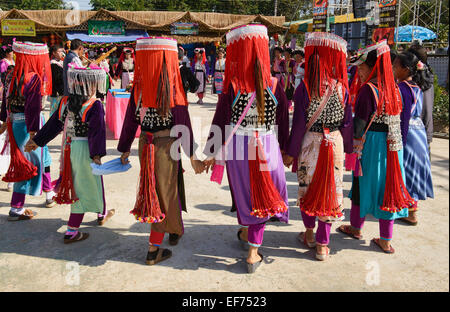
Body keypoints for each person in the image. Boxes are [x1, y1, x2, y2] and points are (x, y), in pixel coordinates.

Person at [204, 24, 290, 274]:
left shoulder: (232, 86)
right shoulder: (275, 84)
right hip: (267, 146)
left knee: (248, 196)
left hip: (239, 150)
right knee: (262, 196)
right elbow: (282, 122)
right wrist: (286, 151)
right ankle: (252, 250)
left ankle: (250, 243)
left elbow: (220, 121)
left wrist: (210, 153)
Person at [118, 37, 204, 265]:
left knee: (164, 188)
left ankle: (174, 228)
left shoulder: (139, 88)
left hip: (146, 146)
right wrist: (193, 156)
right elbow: (182, 124)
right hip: (166, 146)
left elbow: (130, 121)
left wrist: (125, 148)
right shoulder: (171, 87)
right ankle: (153, 248)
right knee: (162, 194)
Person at [337, 40, 414, 254]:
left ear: (372, 68)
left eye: (361, 68)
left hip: (372, 145)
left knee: (362, 185)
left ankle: (355, 227)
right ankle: (386, 240)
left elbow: (359, 126)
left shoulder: (368, 91)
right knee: (387, 189)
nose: (359, 72)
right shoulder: (395, 90)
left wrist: (351, 148)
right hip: (393, 146)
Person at [25, 62, 114, 243]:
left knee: (85, 183)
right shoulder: (94, 104)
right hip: (84, 149)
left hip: (68, 147)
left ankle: (101, 212)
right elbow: (97, 132)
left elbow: (53, 125)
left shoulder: (65, 102)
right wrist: (96, 154)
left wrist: (37, 141)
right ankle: (72, 231)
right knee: (83, 188)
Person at [283, 32, 353, 261]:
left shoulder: (305, 87)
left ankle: (310, 235)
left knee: (308, 188)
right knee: (331, 191)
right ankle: (323, 244)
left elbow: (300, 125)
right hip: (334, 144)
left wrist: (291, 152)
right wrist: (349, 152)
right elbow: (347, 123)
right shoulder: (343, 88)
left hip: (311, 144)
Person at [0, 41, 56, 221]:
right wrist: (34, 133)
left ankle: (49, 195)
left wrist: (3, 119)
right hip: (29, 125)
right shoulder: (33, 78)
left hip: (14, 122)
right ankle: (16, 208)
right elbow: (32, 107)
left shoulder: (10, 74)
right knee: (24, 164)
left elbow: (4, 99)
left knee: (44, 157)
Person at [393, 51, 434, 225]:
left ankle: (409, 211)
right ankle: (411, 210)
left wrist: (399, 141)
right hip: (419, 133)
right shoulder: (417, 87)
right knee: (413, 172)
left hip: (407, 134)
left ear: (405, 69)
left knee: (405, 171)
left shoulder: (402, 88)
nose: (393, 69)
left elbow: (403, 117)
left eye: (396, 66)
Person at [408, 44, 435, 153]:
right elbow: (428, 110)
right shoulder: (429, 77)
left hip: (412, 131)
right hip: (425, 128)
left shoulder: (411, 83)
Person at [49, 44, 65, 116]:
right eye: (59, 51)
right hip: (56, 91)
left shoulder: (61, 62)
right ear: (54, 53)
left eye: (62, 51)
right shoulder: (53, 64)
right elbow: (57, 78)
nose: (62, 53)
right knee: (55, 111)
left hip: (61, 91)